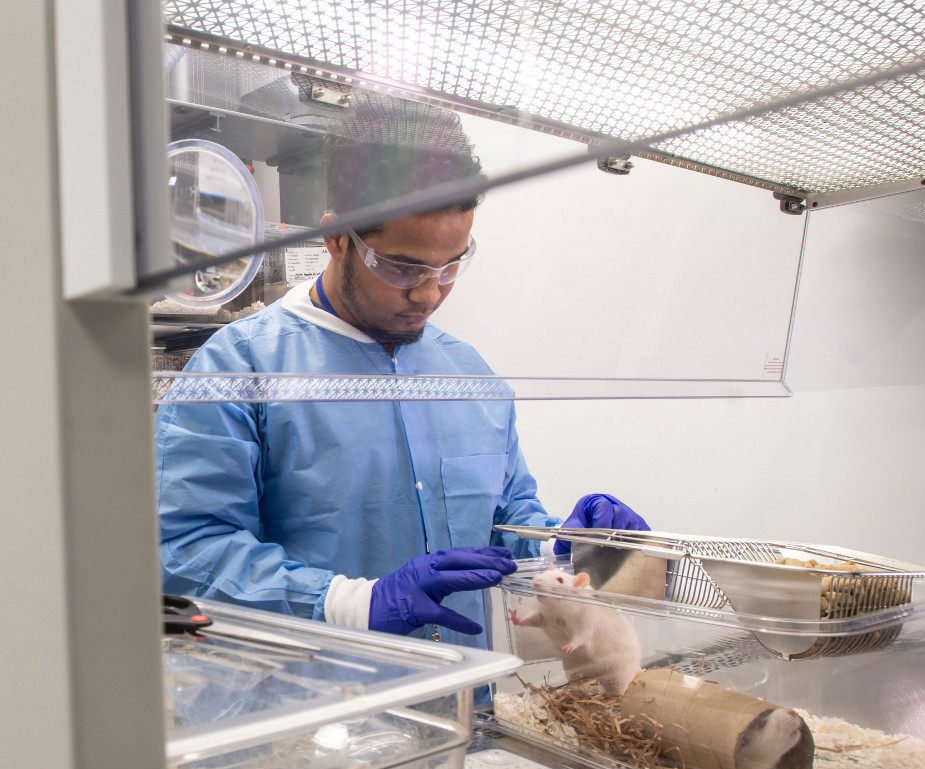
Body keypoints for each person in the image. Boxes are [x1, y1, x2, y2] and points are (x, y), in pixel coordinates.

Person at [155, 96, 648, 646]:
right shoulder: (239, 368)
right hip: (313, 711)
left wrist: (564, 545)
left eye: (452, 264)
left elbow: (503, 522)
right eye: (402, 267)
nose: (430, 292)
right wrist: (355, 604)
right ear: (337, 237)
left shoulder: (468, 377)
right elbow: (182, 550)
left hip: (461, 709)